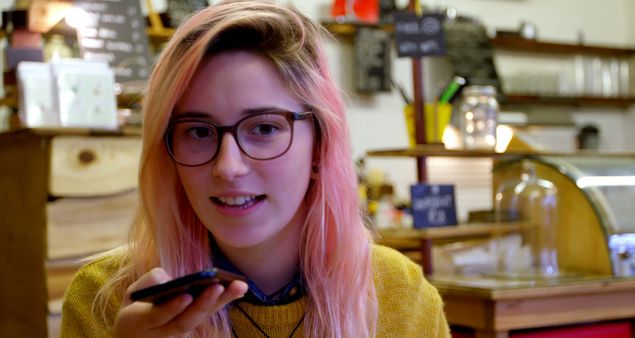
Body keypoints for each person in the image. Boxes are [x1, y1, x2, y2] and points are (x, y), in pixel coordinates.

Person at [60, 1, 450, 337]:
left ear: (320, 145)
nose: (227, 167)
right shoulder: (104, 300)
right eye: (197, 131)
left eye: (264, 128)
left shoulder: (402, 296)